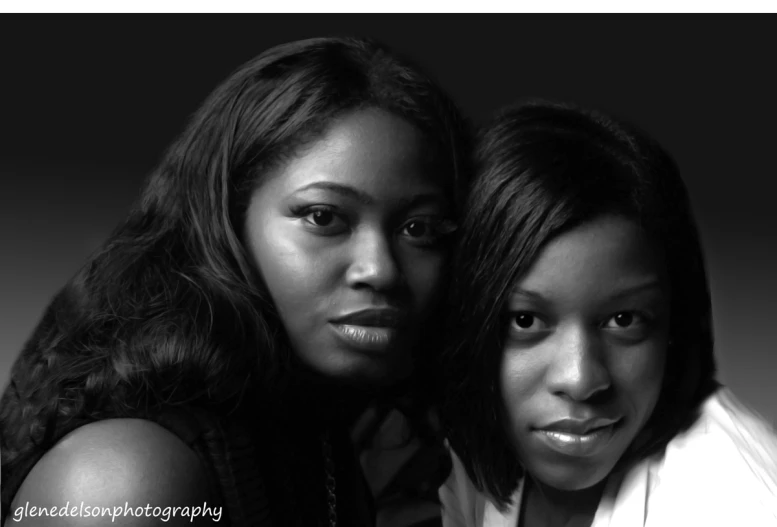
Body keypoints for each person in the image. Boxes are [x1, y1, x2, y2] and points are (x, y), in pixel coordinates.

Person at [0, 36, 470, 526]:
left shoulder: (314, 431)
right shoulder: (126, 473)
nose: (380, 269)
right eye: (324, 217)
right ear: (228, 220)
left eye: (418, 229)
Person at [437, 100, 777, 527]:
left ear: (674, 324)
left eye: (624, 320)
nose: (580, 380)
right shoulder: (447, 453)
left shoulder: (740, 507)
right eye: (525, 321)